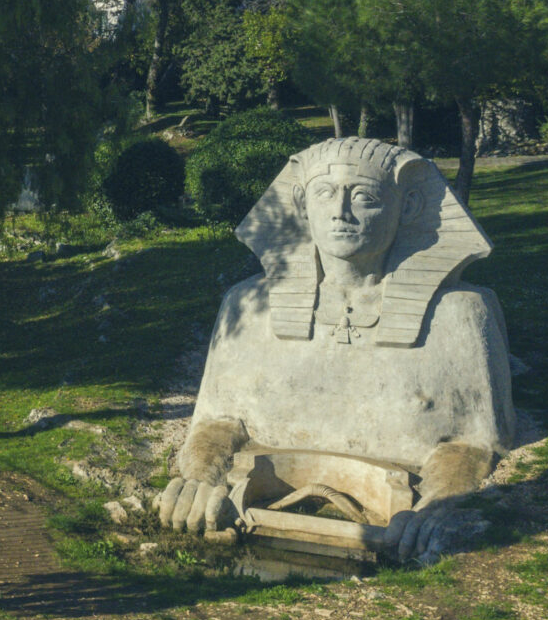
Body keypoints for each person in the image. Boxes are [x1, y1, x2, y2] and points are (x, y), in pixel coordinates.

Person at [158, 137, 511, 562]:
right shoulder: (246, 305)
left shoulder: (459, 315)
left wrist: (440, 499)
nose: (341, 213)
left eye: (364, 196)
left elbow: (472, 443)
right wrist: (201, 476)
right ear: (301, 204)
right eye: (326, 193)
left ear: (410, 207)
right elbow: (215, 422)